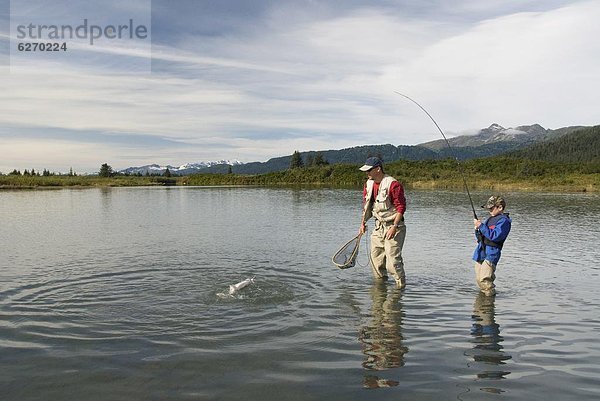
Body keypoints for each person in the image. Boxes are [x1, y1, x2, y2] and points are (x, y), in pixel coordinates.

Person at [358, 157, 407, 288]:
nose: (366, 173)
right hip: (378, 226)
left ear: (378, 169)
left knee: (393, 262)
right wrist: (362, 223)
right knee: (376, 261)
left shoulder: (393, 184)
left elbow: (401, 207)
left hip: (394, 226)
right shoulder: (368, 184)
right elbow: (366, 204)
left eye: (369, 170)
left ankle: (400, 290)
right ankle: (380, 292)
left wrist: (394, 227)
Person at [473, 195, 512, 296]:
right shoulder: (490, 219)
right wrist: (477, 229)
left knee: (485, 280)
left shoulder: (504, 221)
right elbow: (480, 238)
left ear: (500, 207)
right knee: (479, 280)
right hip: (481, 252)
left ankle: (488, 305)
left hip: (492, 253)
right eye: (488, 208)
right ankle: (481, 306)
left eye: (491, 208)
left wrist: (481, 226)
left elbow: (495, 236)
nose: (489, 210)